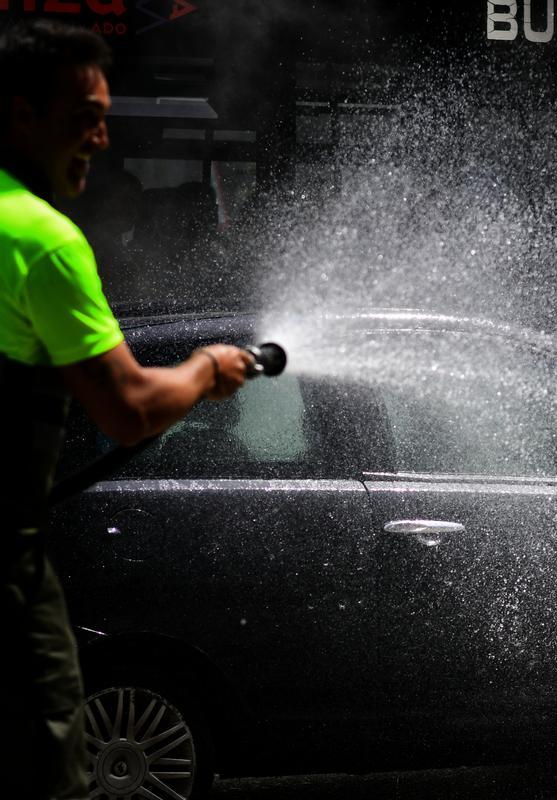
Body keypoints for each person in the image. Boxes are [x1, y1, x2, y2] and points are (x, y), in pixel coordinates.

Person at [0, 20, 254, 800]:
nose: (103, 139)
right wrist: (207, 367)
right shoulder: (41, 240)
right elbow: (132, 410)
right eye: (85, 119)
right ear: (19, 114)